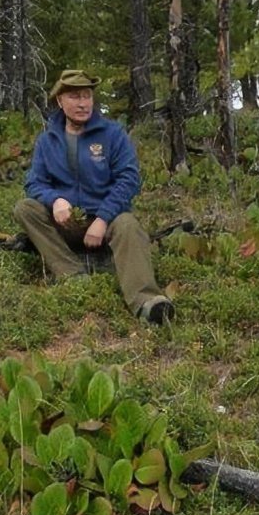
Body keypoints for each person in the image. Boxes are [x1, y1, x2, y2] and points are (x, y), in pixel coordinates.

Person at [14, 69, 174, 324]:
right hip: (66, 222)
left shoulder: (112, 134)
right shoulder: (47, 140)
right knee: (25, 208)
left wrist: (102, 219)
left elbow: (129, 179)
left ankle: (146, 302)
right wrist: (55, 200)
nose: (83, 103)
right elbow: (34, 182)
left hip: (105, 222)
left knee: (129, 225)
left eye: (87, 96)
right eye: (75, 96)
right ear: (60, 101)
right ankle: (73, 275)